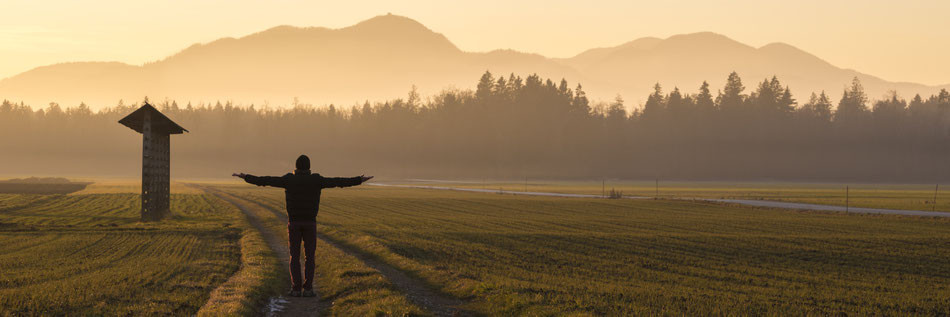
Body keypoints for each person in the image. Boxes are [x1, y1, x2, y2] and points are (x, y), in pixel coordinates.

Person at [232, 154, 372, 297]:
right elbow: (338, 182)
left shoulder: (289, 179)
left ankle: (296, 289)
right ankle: (308, 289)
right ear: (309, 167)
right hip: (310, 223)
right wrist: (359, 180)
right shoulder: (316, 180)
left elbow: (265, 180)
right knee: (310, 257)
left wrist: (245, 176)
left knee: (294, 256)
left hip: (293, 223)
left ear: (296, 166)